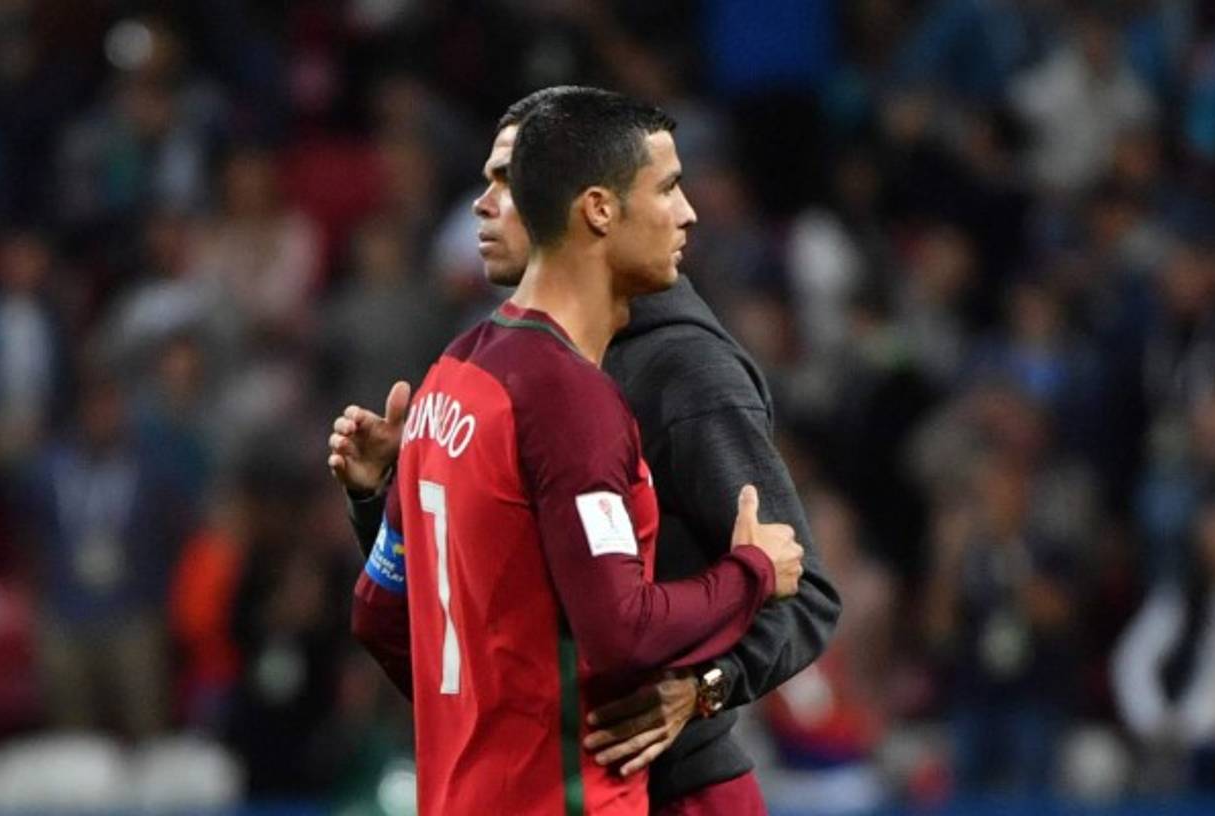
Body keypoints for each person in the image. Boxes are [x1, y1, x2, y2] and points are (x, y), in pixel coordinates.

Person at [330, 87, 840, 813]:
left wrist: (702, 692)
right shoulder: (499, 377)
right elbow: (456, 608)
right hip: (566, 782)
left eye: (507, 179)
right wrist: (380, 500)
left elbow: (805, 590)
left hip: (669, 789)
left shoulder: (680, 372)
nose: (488, 203)